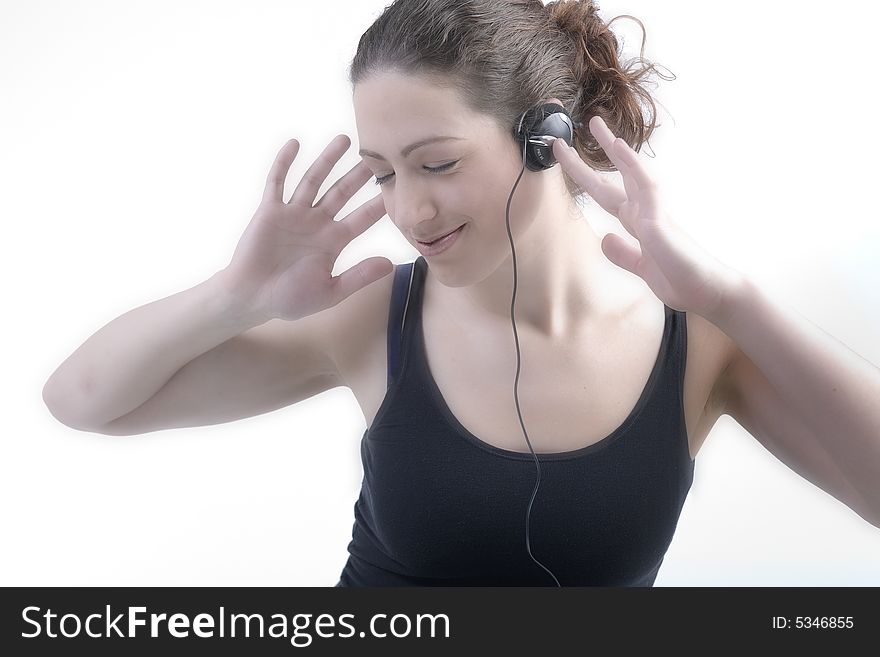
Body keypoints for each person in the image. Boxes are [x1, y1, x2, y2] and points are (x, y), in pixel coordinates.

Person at [42, 0, 880, 586]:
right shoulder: (373, 316)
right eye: (384, 174)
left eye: (436, 163)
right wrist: (235, 296)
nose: (411, 210)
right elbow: (82, 400)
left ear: (544, 141)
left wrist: (734, 301)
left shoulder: (701, 342)